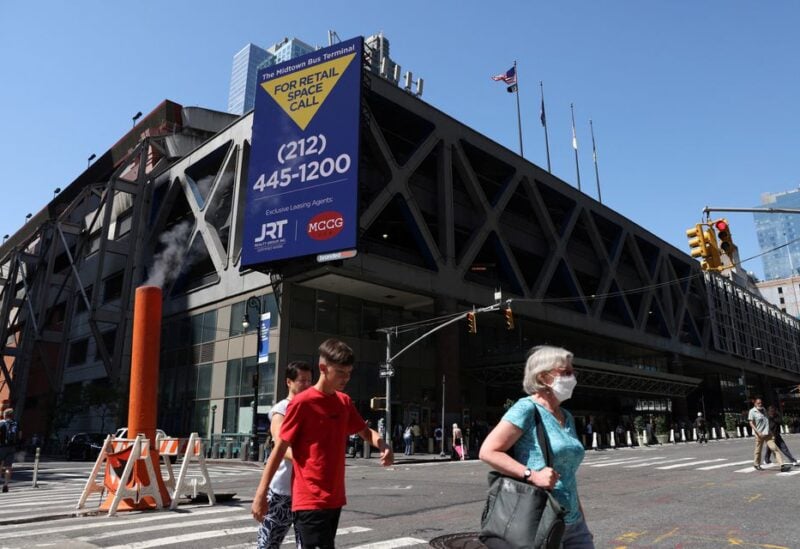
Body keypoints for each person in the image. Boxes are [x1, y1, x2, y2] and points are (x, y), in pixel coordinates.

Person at [251, 339, 393, 549]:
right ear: (323, 368)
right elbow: (279, 449)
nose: (346, 378)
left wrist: (383, 444)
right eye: (341, 373)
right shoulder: (302, 403)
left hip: (335, 499)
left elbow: (364, 431)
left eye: (349, 373)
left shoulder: (343, 402)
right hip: (309, 498)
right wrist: (260, 495)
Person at [479, 346, 594, 548]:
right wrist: (532, 475)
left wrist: (582, 520)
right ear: (543, 378)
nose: (573, 377)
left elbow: (568, 476)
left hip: (574, 522)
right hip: (542, 521)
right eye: (566, 372)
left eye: (573, 372)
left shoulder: (566, 416)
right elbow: (488, 451)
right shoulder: (526, 408)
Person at [256, 361, 313, 549]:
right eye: (302, 380)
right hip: (283, 491)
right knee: (269, 544)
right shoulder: (282, 409)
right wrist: (309, 461)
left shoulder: (311, 407)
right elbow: (281, 445)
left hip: (306, 491)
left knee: (307, 544)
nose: (306, 385)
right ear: (289, 382)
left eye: (309, 381)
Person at [748, 397, 791, 472]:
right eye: (758, 403)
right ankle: (756, 464)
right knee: (758, 450)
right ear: (754, 403)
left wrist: (770, 432)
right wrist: (757, 432)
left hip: (768, 434)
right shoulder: (752, 411)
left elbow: (767, 421)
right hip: (759, 435)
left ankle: (782, 466)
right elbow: (751, 423)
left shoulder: (764, 409)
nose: (760, 404)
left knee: (774, 448)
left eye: (761, 403)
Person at [0, 408, 20, 493]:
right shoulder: (16, 424)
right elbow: (19, 436)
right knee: (8, 467)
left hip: (1, 447)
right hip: (12, 447)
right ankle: (6, 485)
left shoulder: (1, 423)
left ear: (5, 415)